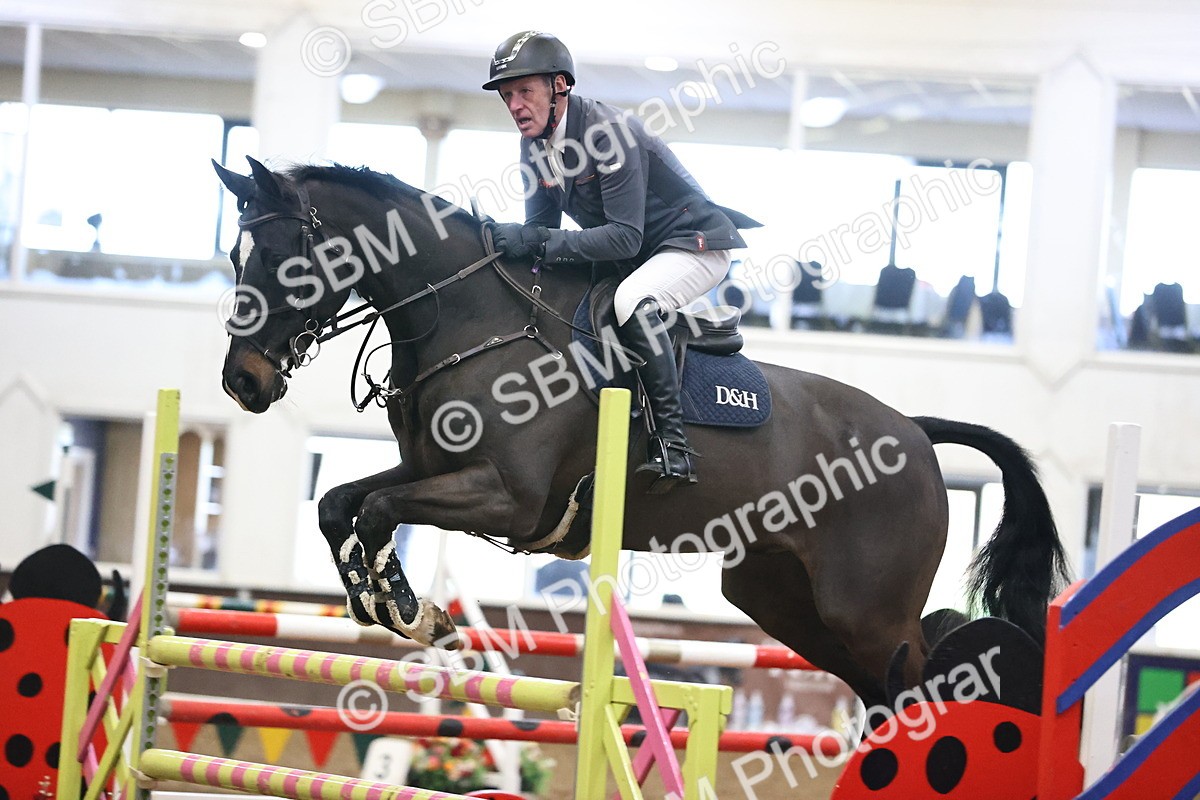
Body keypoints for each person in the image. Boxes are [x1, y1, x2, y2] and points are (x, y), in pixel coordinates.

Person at [484, 31, 759, 493]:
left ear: (559, 87)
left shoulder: (608, 134)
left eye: (524, 91)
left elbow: (625, 238)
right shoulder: (534, 145)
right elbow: (542, 235)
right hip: (638, 251)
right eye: (507, 96)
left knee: (632, 300)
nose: (514, 105)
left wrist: (534, 241)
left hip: (692, 246)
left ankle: (674, 446)